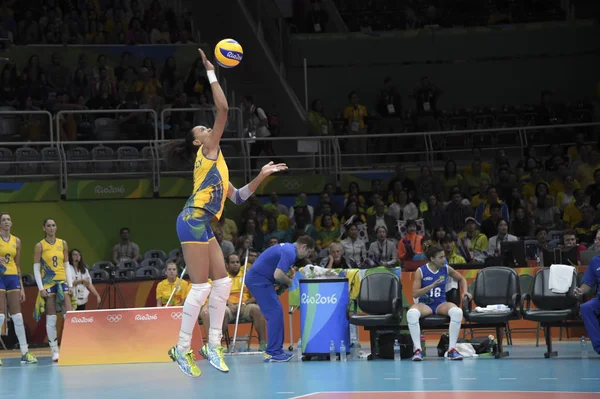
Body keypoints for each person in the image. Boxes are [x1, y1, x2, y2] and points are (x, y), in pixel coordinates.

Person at [163, 48, 288, 378]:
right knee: (202, 288)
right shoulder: (208, 150)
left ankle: (214, 344)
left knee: (222, 283)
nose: (207, 130)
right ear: (197, 143)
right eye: (202, 129)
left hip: (205, 223)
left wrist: (261, 175)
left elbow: (240, 196)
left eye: (207, 129)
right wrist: (211, 72)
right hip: (192, 219)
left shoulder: (218, 168)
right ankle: (180, 346)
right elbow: (223, 108)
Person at [245, 237, 315, 362]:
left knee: (276, 312)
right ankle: (272, 352)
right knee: (274, 313)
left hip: (262, 280)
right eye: (309, 252)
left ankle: (277, 351)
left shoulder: (288, 248)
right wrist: (289, 282)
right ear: (304, 247)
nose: (307, 256)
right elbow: (278, 274)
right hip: (258, 281)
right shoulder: (290, 252)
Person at [407, 245, 470, 361]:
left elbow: (462, 279)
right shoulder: (420, 271)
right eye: (441, 257)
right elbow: (415, 294)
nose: (444, 260)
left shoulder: (446, 268)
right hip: (425, 305)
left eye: (444, 257)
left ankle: (452, 350)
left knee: (457, 312)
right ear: (432, 259)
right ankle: (417, 350)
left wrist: (465, 292)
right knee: (411, 314)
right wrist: (431, 286)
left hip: (441, 304)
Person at [33, 218, 73, 362]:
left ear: (56, 228)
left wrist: (70, 284)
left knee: (68, 314)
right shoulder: (40, 246)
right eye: (48, 226)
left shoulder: (63, 243)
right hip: (48, 283)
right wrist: (40, 288)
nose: (51, 228)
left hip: (62, 281)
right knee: (51, 316)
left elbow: (67, 264)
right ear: (44, 228)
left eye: (53, 225)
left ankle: (70, 347)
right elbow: (36, 269)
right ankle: (54, 351)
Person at [0, 213, 37, 366]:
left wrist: (21, 286)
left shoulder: (17, 241)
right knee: (1, 316)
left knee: (18, 317)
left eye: (9, 219)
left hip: (13, 278)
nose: (6, 222)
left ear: (12, 223)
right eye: (3, 220)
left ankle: (24, 352)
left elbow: (18, 264)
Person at [574, 254, 600, 355]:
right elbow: (588, 283)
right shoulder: (595, 261)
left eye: (599, 239)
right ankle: (599, 347)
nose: (597, 241)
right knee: (586, 308)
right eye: (597, 239)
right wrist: (581, 290)